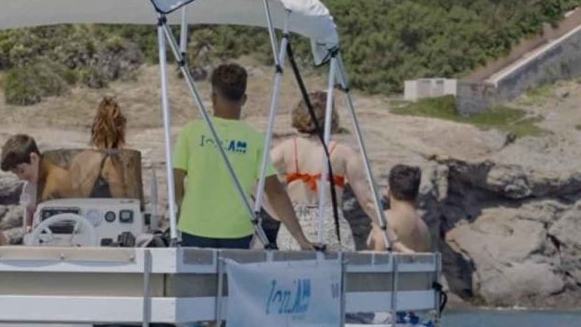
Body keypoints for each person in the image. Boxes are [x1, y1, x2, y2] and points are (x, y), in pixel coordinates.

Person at [172, 63, 313, 250]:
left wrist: (182, 208)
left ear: (213, 97)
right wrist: (301, 239)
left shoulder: (191, 132)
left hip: (194, 227)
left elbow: (176, 180)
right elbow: (275, 192)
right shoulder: (254, 139)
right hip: (236, 231)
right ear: (244, 99)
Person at [269, 94, 380, 251]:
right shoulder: (344, 153)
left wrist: (273, 211)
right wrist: (387, 231)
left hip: (294, 226)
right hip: (330, 225)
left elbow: (254, 175)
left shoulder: (286, 148)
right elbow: (367, 202)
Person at [0, 134, 73, 228]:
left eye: (22, 171)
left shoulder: (62, 180)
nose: (20, 177)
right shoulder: (28, 189)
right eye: (15, 173)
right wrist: (29, 227)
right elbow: (28, 221)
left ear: (33, 158)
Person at [368, 164, 432, 254]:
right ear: (416, 193)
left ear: (388, 191)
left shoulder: (385, 219)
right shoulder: (424, 228)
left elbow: (377, 258)